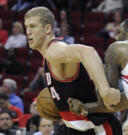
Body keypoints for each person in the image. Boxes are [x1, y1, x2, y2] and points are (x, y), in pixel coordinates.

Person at [24, 7, 121, 135]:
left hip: (97, 128)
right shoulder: (49, 56)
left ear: (47, 28)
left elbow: (87, 51)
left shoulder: (54, 50)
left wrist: (105, 91)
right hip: (77, 128)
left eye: (33, 26)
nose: (28, 32)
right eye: (26, 27)